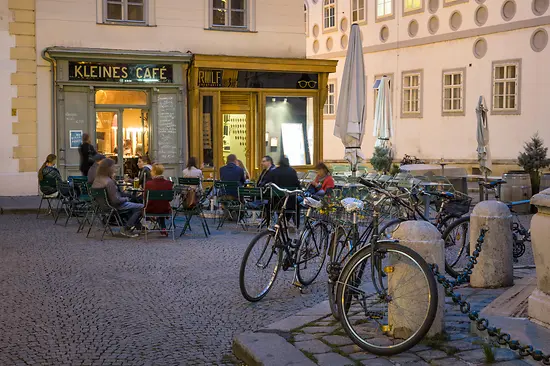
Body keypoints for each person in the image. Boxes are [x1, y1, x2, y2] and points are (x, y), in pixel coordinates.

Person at [92, 158, 143, 238]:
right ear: (109, 168)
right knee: (141, 207)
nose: (115, 168)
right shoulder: (108, 181)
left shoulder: (97, 179)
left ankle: (136, 226)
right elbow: (116, 200)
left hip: (103, 206)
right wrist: (126, 199)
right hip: (114, 206)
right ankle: (127, 228)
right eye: (113, 167)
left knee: (133, 203)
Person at [264, 156, 301, 227]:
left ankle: (270, 223)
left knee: (268, 204)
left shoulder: (274, 172)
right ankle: (294, 223)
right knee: (297, 204)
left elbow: (269, 185)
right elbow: (298, 186)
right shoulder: (292, 171)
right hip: (290, 202)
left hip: (276, 202)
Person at [144, 163, 174, 236]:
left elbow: (145, 198)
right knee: (161, 203)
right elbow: (170, 199)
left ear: (154, 172)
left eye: (151, 171)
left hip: (151, 209)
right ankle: (163, 228)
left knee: (141, 206)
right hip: (165, 209)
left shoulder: (148, 183)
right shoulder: (169, 183)